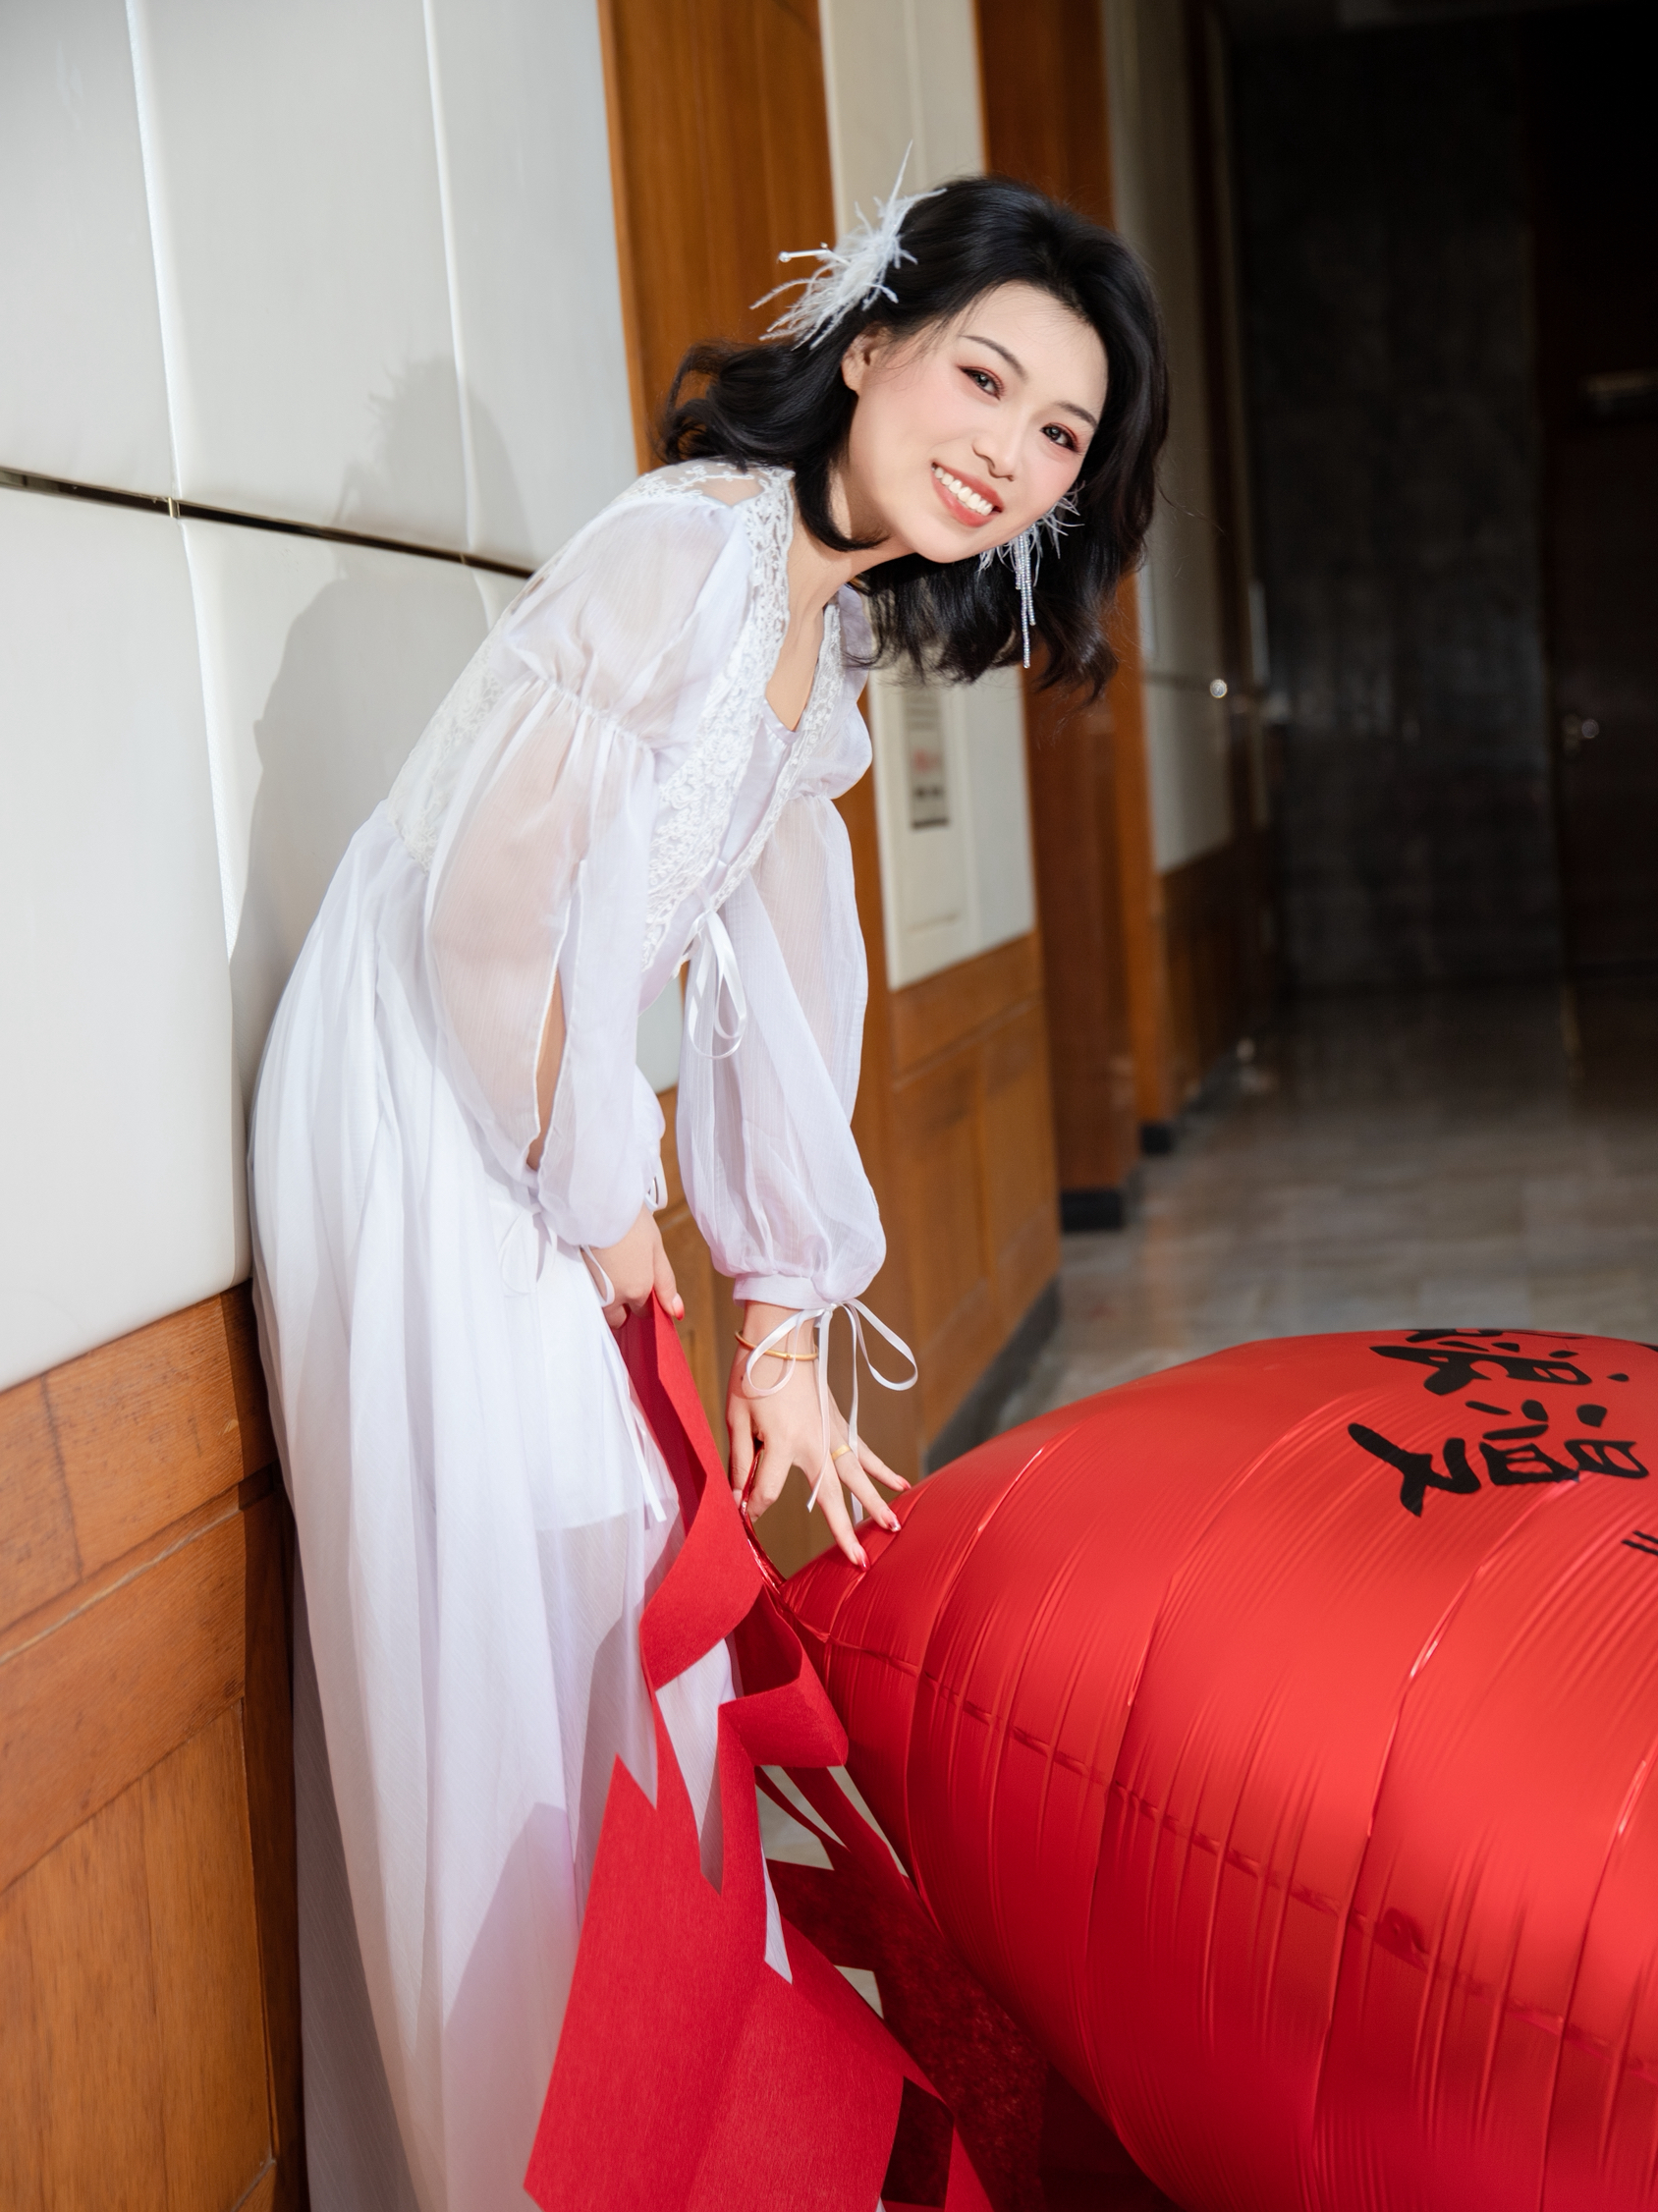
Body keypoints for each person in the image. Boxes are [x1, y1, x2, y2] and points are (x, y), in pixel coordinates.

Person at [249, 169, 1167, 2210]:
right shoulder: (681, 551)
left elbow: (784, 1004)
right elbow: (486, 914)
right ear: (868, 345)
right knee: (512, 1638)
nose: (1006, 453)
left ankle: (623, 2136)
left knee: (601, 1624)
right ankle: (519, 2152)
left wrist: (785, 1323)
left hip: (532, 1113)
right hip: (423, 1095)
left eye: (1057, 435)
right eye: (982, 380)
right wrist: (598, 1194)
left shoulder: (818, 657)